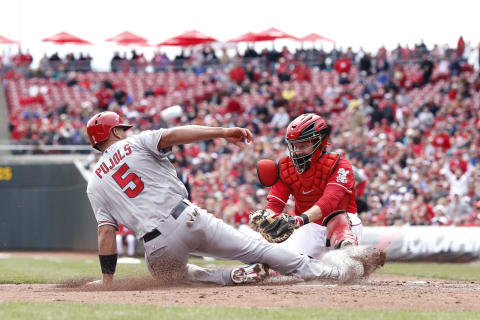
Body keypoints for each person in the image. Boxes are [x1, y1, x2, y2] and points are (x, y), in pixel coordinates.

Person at [85, 111, 384, 286]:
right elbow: (174, 135)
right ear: (114, 131)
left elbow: (105, 234)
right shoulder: (136, 143)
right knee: (259, 249)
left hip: (157, 243)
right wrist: (223, 131)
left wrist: (108, 281)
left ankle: (231, 276)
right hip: (189, 217)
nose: (127, 131)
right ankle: (332, 273)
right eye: (122, 128)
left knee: (173, 277)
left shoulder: (94, 183)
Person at [256, 113, 363, 258]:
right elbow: (275, 203)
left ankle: (348, 251)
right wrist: (265, 217)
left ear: (320, 142)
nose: (297, 151)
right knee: (290, 266)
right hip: (307, 226)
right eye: (294, 146)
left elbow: (330, 202)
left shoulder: (339, 165)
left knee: (336, 218)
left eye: (303, 145)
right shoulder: (286, 167)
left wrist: (300, 220)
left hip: (344, 223)